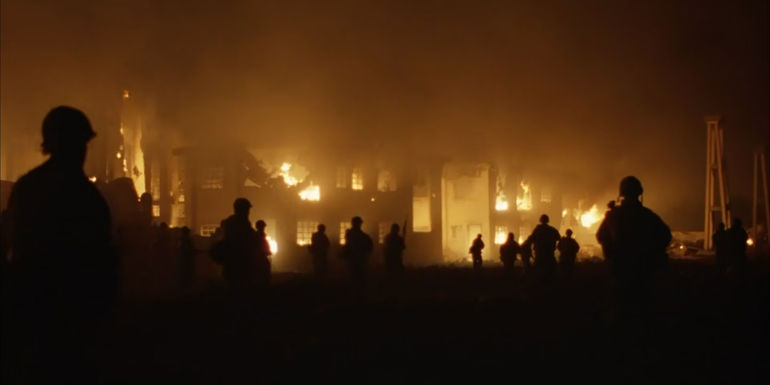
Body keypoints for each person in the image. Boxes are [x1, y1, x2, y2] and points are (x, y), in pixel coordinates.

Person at [4, 106, 118, 383]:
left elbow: (11, 247)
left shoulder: (27, 188)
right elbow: (102, 264)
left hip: (29, 316)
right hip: (73, 321)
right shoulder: (86, 197)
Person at [596, 176, 671, 314]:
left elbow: (601, 236)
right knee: (642, 309)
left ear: (622, 194)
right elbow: (665, 236)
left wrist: (610, 254)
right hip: (643, 272)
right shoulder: (648, 216)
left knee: (619, 309)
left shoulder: (613, 216)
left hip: (620, 271)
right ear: (639, 193)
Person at [218, 198, 257, 289]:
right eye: (247, 209)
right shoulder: (241, 225)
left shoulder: (230, 223)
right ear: (242, 209)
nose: (248, 212)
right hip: (239, 267)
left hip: (232, 267)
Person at [526, 214, 561, 281]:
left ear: (540, 220)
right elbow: (559, 238)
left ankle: (539, 282)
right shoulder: (552, 230)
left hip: (540, 252)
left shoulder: (537, 230)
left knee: (538, 268)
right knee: (551, 268)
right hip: (549, 252)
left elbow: (531, 239)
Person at [342, 216, 373, 287]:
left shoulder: (352, 234)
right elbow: (369, 247)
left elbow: (347, 246)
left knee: (355, 278)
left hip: (356, 259)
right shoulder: (363, 236)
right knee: (357, 278)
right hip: (358, 259)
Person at [254, 219, 273, 286]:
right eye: (262, 227)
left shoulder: (260, 235)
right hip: (260, 257)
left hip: (261, 256)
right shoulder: (258, 236)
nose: (263, 228)